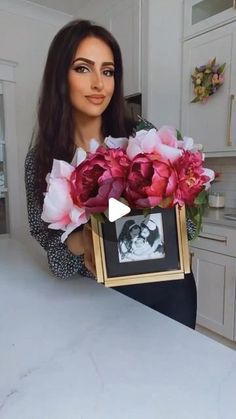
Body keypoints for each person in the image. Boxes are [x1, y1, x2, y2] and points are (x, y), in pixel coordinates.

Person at [25, 19, 197, 329]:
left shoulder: (142, 136)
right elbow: (55, 259)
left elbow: (188, 225)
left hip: (169, 288)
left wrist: (180, 217)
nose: (99, 84)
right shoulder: (40, 162)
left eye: (108, 71)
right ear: (59, 78)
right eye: (82, 68)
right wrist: (83, 241)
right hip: (98, 300)